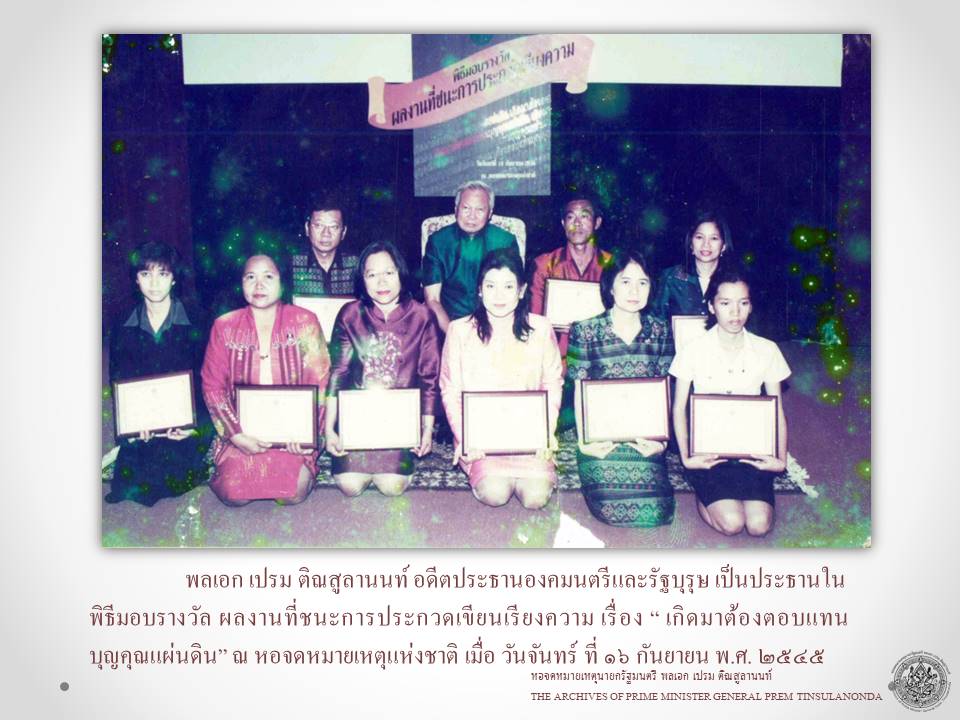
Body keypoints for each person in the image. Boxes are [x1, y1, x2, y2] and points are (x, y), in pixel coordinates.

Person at [669, 264, 790, 536]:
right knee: (733, 523)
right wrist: (687, 458)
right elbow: (678, 409)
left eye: (743, 303)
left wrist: (780, 459)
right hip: (710, 452)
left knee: (758, 526)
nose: (735, 312)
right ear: (712, 307)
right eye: (725, 303)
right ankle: (703, 493)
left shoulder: (767, 350)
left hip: (751, 448)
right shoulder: (692, 350)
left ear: (750, 306)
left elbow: (777, 411)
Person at [201, 254, 330, 506]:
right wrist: (236, 435)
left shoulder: (305, 321)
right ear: (241, 283)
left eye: (268, 277)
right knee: (233, 495)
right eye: (251, 277)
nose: (259, 285)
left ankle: (299, 465)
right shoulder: (224, 326)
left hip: (292, 434)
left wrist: (308, 434)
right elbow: (212, 385)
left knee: (291, 493)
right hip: (242, 432)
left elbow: (321, 382)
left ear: (282, 283)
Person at [439, 249, 562, 509]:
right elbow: (450, 389)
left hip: (529, 435)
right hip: (481, 438)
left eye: (508, 286)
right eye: (490, 286)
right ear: (480, 290)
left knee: (535, 498)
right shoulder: (459, 330)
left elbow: (552, 383)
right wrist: (465, 438)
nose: (499, 296)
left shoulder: (540, 328)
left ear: (521, 290)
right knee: (495, 493)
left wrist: (546, 433)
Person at [566, 248, 675, 526]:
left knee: (657, 511)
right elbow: (579, 391)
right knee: (612, 509)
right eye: (625, 281)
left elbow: (664, 389)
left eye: (643, 282)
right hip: (601, 438)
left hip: (643, 435)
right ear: (610, 286)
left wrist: (661, 442)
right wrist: (584, 443)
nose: (634, 291)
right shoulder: (585, 330)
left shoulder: (661, 331)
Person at [325, 240, 441, 496]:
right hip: (357, 418)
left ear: (401, 273)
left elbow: (429, 378)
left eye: (389, 272)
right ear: (362, 279)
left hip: (400, 420)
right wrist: (329, 429)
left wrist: (425, 430)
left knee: (391, 487)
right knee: (350, 486)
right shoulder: (350, 314)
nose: (381, 282)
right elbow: (338, 372)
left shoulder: (422, 316)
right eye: (372, 275)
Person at [107, 241, 212, 506]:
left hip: (185, 421)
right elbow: (118, 378)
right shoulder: (122, 323)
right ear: (136, 279)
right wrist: (131, 426)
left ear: (174, 279)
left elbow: (208, 379)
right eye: (146, 274)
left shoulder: (197, 320)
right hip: (145, 421)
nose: (154, 283)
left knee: (173, 480)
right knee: (130, 484)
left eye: (163, 274)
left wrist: (195, 426)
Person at [422, 180, 520, 333]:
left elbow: (512, 293)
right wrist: (453, 335)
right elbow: (432, 299)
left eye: (480, 210)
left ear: (490, 213)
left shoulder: (504, 241)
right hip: (448, 323)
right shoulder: (438, 241)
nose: (471, 216)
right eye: (466, 208)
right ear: (456, 209)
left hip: (495, 322)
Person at [529, 196, 613, 355]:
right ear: (563, 224)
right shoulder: (545, 265)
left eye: (584, 216)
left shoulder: (611, 266)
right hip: (556, 354)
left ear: (597, 223)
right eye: (570, 217)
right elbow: (535, 320)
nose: (577, 223)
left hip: (600, 353)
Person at [652, 212, 733, 319]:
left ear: (723, 246)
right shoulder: (671, 278)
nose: (706, 244)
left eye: (714, 238)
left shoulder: (734, 281)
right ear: (691, 243)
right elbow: (656, 318)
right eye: (699, 237)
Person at [291, 199, 359, 296]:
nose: (326, 234)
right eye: (318, 225)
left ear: (343, 232)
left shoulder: (356, 265)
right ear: (307, 228)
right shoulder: (291, 264)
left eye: (333, 227)